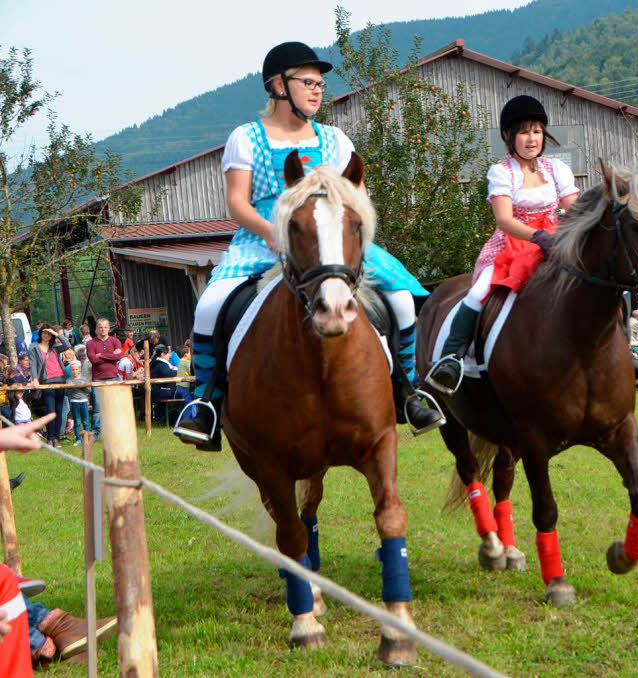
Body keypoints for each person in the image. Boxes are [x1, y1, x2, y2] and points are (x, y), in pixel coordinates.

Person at [176, 43, 443, 447]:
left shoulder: (335, 139)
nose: (318, 91)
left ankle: (407, 391)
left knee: (402, 300)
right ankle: (206, 404)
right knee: (210, 306)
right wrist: (272, 233)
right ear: (278, 86)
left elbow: (356, 198)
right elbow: (237, 203)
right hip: (262, 238)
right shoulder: (246, 137)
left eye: (320, 84)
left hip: (331, 242)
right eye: (308, 82)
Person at [428, 94, 579, 394]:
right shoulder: (502, 172)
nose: (531, 138)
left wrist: (569, 232)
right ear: (509, 136)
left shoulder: (555, 169)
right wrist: (537, 236)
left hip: (555, 240)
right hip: (514, 243)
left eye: (536, 131)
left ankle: (621, 346)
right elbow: (504, 220)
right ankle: (451, 357)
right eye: (524, 131)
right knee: (479, 290)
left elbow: (574, 206)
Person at [27, 325, 70, 447]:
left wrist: (56, 334)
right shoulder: (34, 347)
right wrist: (35, 379)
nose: (46, 335)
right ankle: (50, 437)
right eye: (44, 333)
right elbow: (33, 364)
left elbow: (67, 345)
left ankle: (55, 437)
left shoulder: (55, 347)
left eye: (48, 333)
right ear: (40, 334)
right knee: (50, 410)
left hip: (60, 379)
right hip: (47, 380)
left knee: (59, 410)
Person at [65, 361, 92, 446]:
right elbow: (66, 393)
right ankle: (78, 439)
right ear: (70, 370)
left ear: (79, 369)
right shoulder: (69, 380)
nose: (75, 371)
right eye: (73, 370)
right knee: (77, 422)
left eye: (76, 369)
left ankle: (87, 439)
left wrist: (83, 386)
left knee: (86, 421)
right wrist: (70, 387)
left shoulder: (84, 379)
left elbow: (89, 391)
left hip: (84, 401)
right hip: (74, 402)